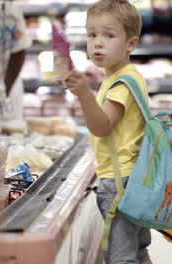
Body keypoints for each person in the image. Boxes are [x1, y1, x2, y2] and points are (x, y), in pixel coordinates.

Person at [64, 0, 152, 263]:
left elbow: (101, 127)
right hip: (133, 177)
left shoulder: (122, 84)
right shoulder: (120, 76)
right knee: (137, 251)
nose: (97, 43)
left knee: (121, 257)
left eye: (109, 35)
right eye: (92, 35)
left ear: (131, 44)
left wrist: (83, 95)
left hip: (119, 182)